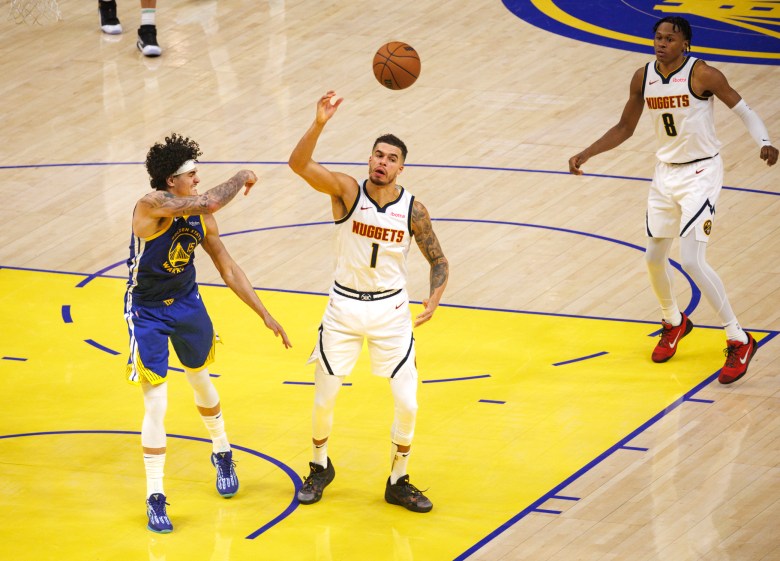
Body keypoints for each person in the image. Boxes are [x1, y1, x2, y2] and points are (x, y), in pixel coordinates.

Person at [568, 16, 777, 385]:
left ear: (686, 45)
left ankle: (738, 337)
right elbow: (624, 128)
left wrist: (764, 142)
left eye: (670, 38)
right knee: (653, 259)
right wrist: (588, 152)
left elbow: (743, 109)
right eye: (658, 37)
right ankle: (674, 320)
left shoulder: (703, 75)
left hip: (701, 173)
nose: (661, 43)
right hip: (665, 173)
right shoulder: (642, 76)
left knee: (693, 261)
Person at [288, 91, 449, 513]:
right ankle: (319, 466)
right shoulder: (346, 192)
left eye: (391, 158)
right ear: (370, 159)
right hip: (342, 308)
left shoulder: (414, 210)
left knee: (408, 402)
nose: (382, 162)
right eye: (377, 155)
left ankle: (399, 479)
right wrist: (319, 123)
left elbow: (438, 259)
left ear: (401, 167)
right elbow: (298, 165)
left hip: (391, 312)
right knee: (324, 398)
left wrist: (435, 297)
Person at [125, 133, 292, 533]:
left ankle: (222, 451)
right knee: (156, 403)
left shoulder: (201, 217)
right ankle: (155, 496)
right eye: (192, 175)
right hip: (146, 311)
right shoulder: (152, 206)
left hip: (186, 301)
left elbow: (228, 268)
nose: (198, 181)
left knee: (200, 379)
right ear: (171, 181)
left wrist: (264, 313)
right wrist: (242, 175)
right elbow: (211, 199)